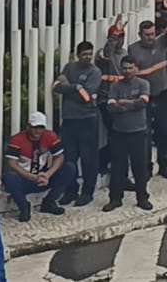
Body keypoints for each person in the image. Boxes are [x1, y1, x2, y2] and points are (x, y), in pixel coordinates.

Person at [125, 20, 167, 178]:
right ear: (140, 35)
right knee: (145, 135)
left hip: (162, 93)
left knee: (164, 132)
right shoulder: (132, 49)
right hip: (144, 97)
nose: (150, 38)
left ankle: (165, 165)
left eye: (153, 34)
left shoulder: (161, 42)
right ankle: (146, 168)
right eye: (147, 35)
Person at [53, 40, 102, 207]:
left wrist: (70, 88)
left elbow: (87, 97)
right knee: (69, 158)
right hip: (69, 120)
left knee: (89, 158)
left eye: (90, 54)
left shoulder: (95, 72)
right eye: (84, 54)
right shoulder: (69, 67)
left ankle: (87, 192)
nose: (88, 57)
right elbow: (57, 87)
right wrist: (77, 88)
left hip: (88, 119)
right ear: (77, 55)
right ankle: (70, 191)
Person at [102, 54, 153, 212]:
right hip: (119, 133)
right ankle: (115, 199)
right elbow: (110, 106)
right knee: (117, 168)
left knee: (140, 167)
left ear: (136, 68)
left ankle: (142, 198)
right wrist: (131, 104)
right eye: (124, 68)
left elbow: (143, 102)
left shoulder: (144, 84)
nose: (127, 71)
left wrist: (123, 104)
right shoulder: (115, 86)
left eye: (130, 68)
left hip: (138, 132)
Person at [2, 112, 73, 222]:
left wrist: (48, 175)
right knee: (9, 178)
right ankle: (24, 207)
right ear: (28, 127)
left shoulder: (50, 136)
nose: (37, 131)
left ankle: (49, 202)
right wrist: (31, 177)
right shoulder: (17, 140)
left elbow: (59, 157)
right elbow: (11, 163)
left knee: (69, 168)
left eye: (41, 127)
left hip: (44, 177)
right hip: (25, 178)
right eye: (35, 127)